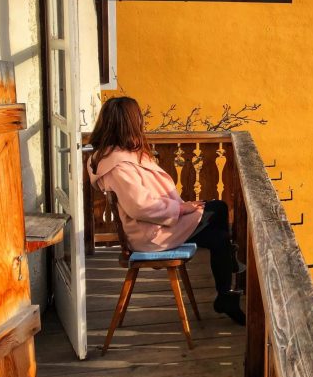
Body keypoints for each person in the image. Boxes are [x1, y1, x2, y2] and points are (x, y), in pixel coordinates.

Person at [87, 96, 245, 325]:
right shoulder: (119, 165)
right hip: (150, 233)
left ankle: (226, 289)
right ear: (129, 123)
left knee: (219, 233)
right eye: (138, 117)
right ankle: (228, 279)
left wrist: (181, 209)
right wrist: (181, 209)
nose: (141, 122)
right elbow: (140, 206)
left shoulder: (116, 156)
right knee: (218, 212)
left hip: (154, 225)